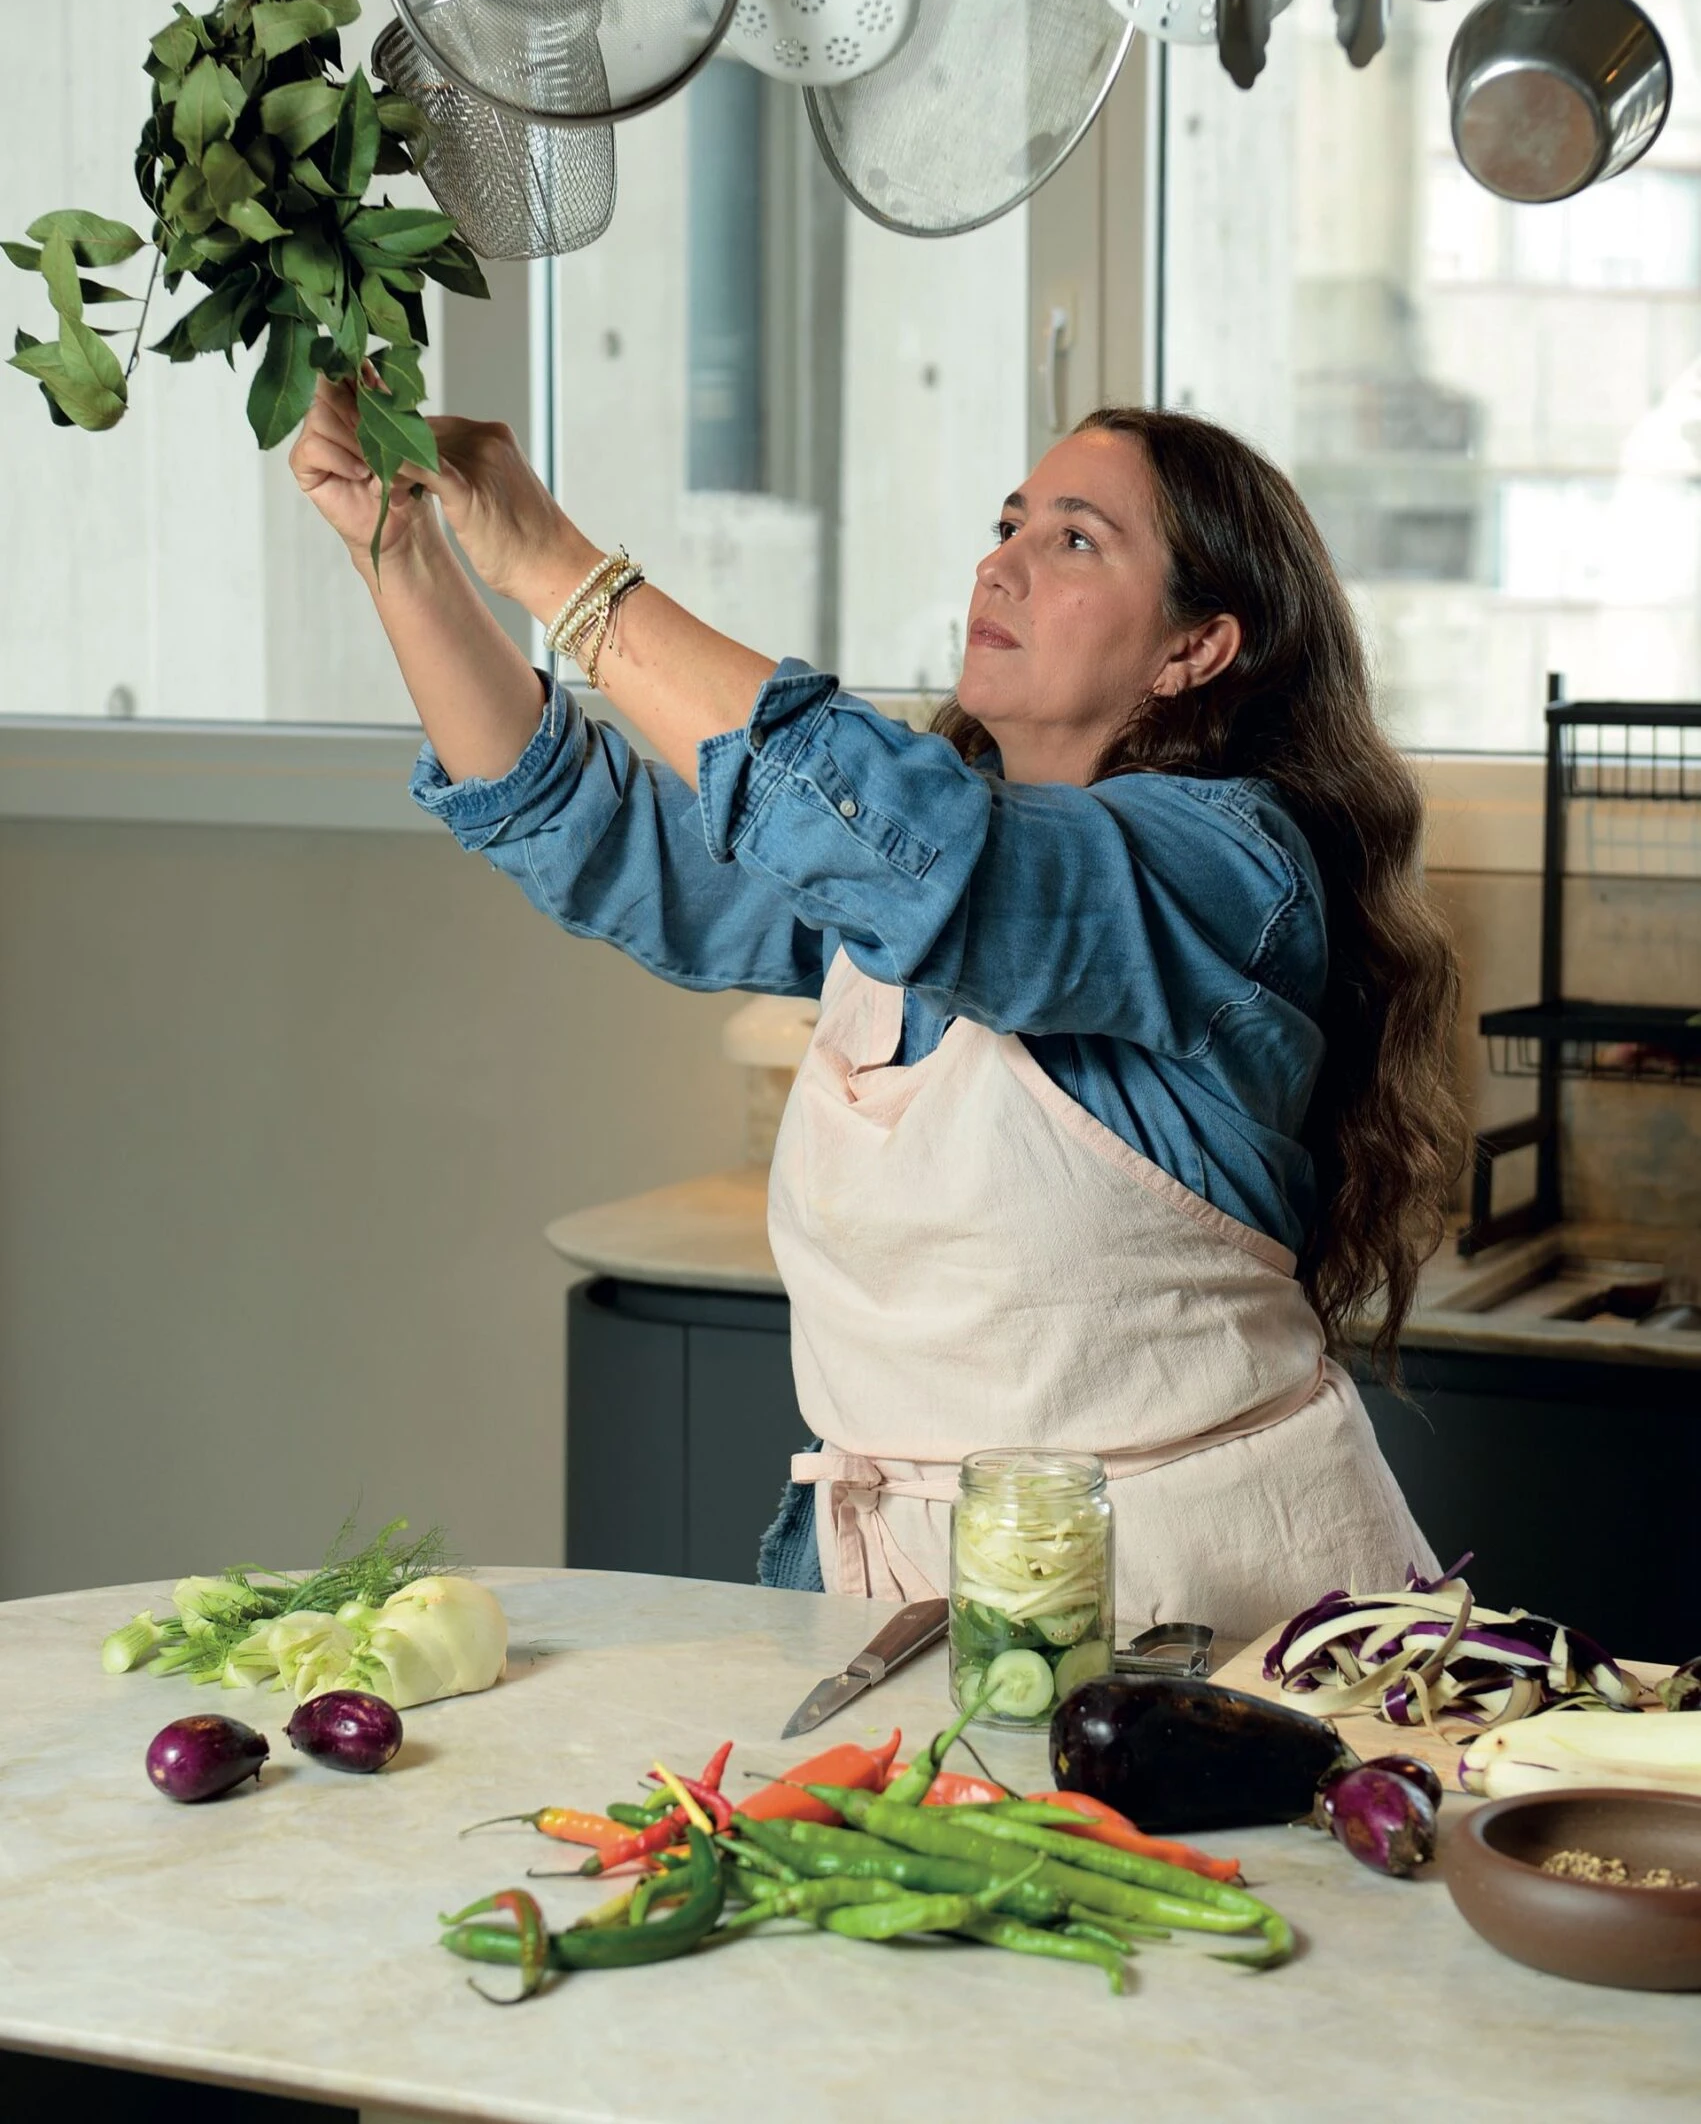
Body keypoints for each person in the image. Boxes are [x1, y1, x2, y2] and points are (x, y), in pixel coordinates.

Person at [291, 379, 1464, 1640]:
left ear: (1196, 647)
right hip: (903, 1608)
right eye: (1007, 523)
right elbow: (598, 834)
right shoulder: (894, 875)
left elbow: (933, 855)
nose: (1000, 563)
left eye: (1073, 538)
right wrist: (399, 549)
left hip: (1213, 1625)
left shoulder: (1231, 869)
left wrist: (558, 566)